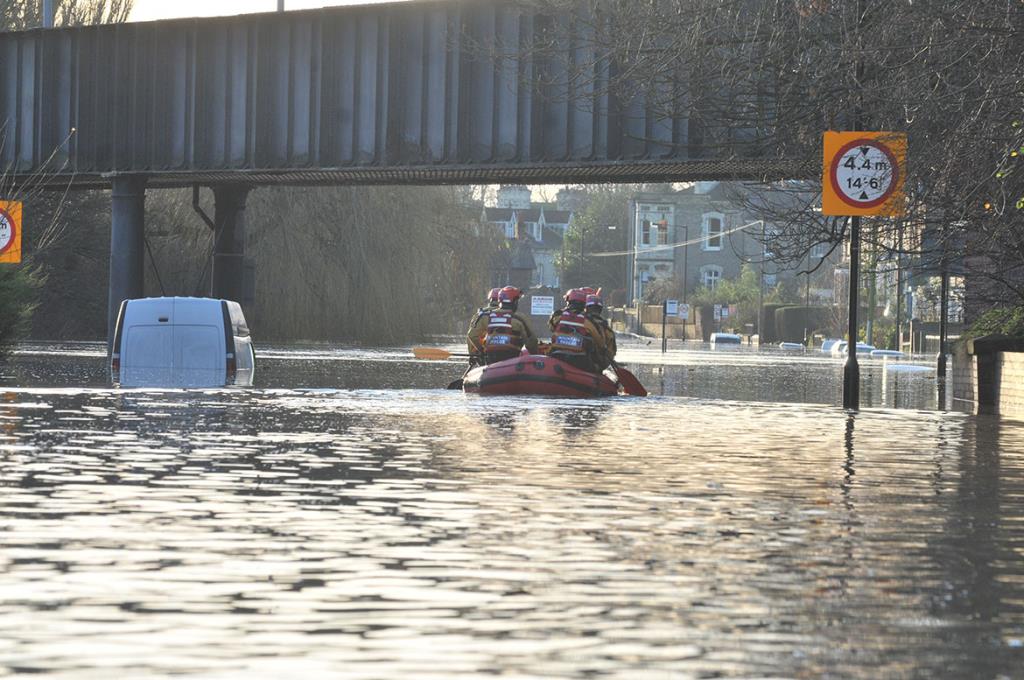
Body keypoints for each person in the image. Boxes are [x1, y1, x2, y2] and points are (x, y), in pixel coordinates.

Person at [549, 288, 604, 373]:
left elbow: (551, 328)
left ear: (568, 301)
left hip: (557, 356)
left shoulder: (558, 316)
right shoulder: (588, 320)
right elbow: (600, 342)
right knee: (597, 368)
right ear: (584, 304)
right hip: (580, 360)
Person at [479, 286, 539, 364]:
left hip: (491, 358)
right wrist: (535, 356)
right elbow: (531, 341)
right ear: (514, 302)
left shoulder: (486, 317)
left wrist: (481, 352)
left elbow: (472, 335)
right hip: (512, 358)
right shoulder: (519, 319)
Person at [466, 288, 502, 362]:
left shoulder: (480, 314)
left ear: (490, 299)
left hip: (484, 354)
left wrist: (473, 355)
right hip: (505, 354)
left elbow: (471, 336)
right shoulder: (509, 315)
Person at [585, 293, 617, 370]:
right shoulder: (606, 329)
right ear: (600, 309)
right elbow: (611, 353)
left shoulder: (579, 321)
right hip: (594, 364)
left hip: (584, 362)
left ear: (586, 308)